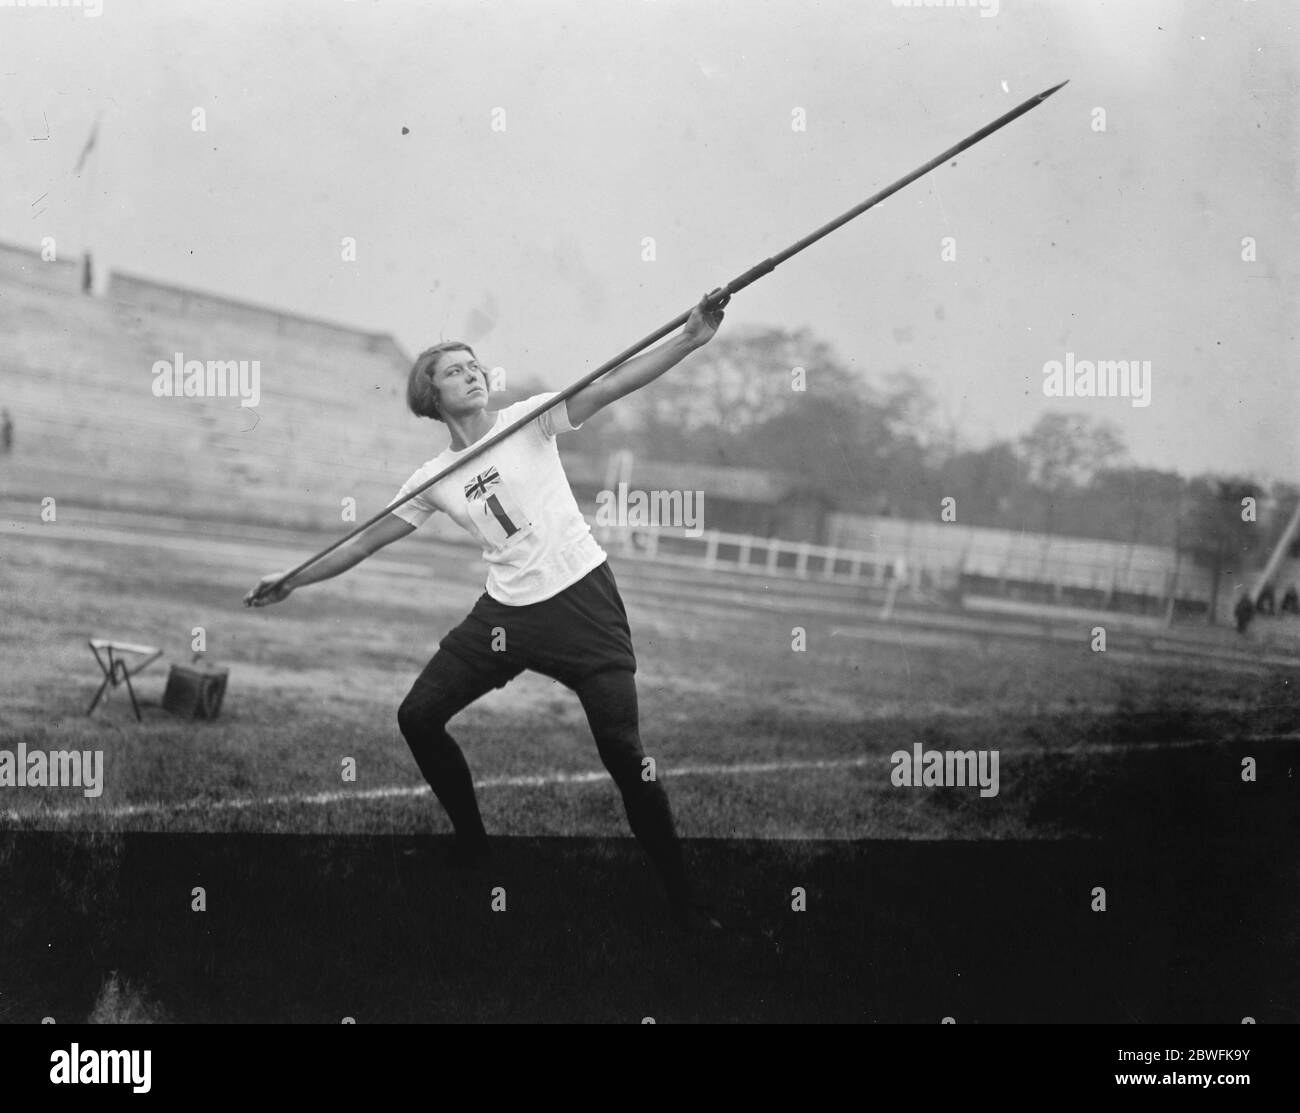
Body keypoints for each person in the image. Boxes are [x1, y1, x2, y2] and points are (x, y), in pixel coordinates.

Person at [245, 291, 729, 931]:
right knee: (418, 716)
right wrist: (293, 579)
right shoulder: (432, 478)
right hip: (507, 615)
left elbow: (611, 385)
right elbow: (363, 539)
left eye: (475, 365)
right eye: (454, 370)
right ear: (431, 396)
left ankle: (685, 906)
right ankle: (473, 845)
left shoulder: (531, 419)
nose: (472, 373)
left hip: (583, 599)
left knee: (622, 749)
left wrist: (691, 338)